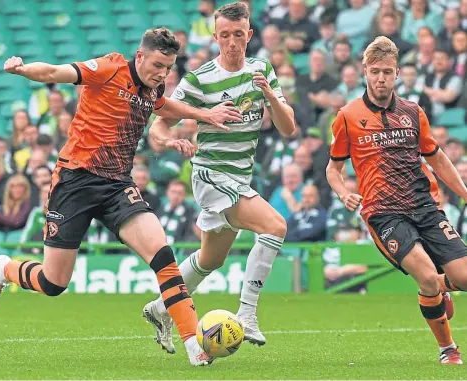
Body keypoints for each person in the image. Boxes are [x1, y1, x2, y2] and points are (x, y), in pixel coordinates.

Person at [0, 27, 242, 366]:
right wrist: (22, 68)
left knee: (164, 257)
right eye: (158, 65)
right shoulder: (109, 68)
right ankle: (4, 269)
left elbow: (165, 107)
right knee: (53, 282)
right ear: (140, 55)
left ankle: (193, 343)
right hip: (75, 182)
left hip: (117, 185)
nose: (162, 74)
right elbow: (56, 73)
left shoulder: (153, 88)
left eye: (168, 68)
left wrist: (205, 115)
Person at [142, 1, 295, 354]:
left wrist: (270, 94)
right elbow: (158, 127)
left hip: (239, 178)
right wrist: (171, 140)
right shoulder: (200, 79)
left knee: (211, 260)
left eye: (238, 35)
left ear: (249, 35)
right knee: (275, 226)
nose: (231, 42)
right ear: (214, 36)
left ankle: (160, 307)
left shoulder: (263, 71)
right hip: (211, 176)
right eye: (224, 35)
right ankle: (247, 314)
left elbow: (288, 129)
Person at [327, 36, 467, 365]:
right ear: (364, 71)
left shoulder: (412, 112)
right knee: (427, 277)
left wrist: (464, 194)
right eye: (375, 71)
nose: (381, 78)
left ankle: (444, 287)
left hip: (425, 205)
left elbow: (438, 159)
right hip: (384, 214)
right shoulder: (347, 116)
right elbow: (333, 169)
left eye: (387, 72)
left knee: (462, 278)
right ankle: (448, 349)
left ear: (397, 73)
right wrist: (343, 191)